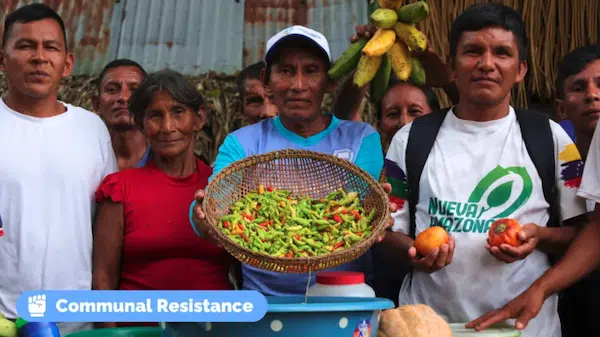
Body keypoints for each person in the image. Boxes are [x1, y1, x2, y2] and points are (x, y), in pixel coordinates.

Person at [381, 4, 587, 337]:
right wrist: (413, 253)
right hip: (431, 328)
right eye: (473, 51)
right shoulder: (412, 138)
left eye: (502, 53)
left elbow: (586, 234)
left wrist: (539, 237)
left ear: (520, 70)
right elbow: (387, 234)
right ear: (451, 66)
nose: (486, 64)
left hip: (527, 329)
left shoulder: (549, 137)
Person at [189, 25, 393, 296]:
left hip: (344, 300)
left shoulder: (360, 138)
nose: (298, 86)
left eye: (311, 71)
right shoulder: (243, 143)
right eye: (286, 71)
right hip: (265, 304)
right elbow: (214, 201)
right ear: (266, 80)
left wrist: (381, 214)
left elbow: (364, 210)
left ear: (330, 81)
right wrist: (201, 215)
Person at [0, 3, 117, 335]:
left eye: (50, 46)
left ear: (67, 64)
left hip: (77, 320)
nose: (39, 57)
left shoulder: (92, 128)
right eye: (25, 46)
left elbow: (106, 226)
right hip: (3, 318)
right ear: (2, 59)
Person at [467, 44, 600, 335]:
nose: (592, 95)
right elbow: (595, 231)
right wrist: (540, 282)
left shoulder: (550, 143)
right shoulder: (556, 148)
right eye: (580, 87)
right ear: (561, 107)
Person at [92, 69, 236, 328]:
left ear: (199, 118)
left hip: (217, 330)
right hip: (139, 333)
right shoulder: (120, 189)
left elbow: (243, 272)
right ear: (140, 122)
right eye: (155, 116)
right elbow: (103, 281)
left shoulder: (222, 189)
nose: (168, 127)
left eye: (178, 112)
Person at [92, 59, 150, 170]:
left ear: (148, 102)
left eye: (134, 90)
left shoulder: (167, 161)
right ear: (97, 104)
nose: (123, 97)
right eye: (112, 90)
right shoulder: (82, 161)